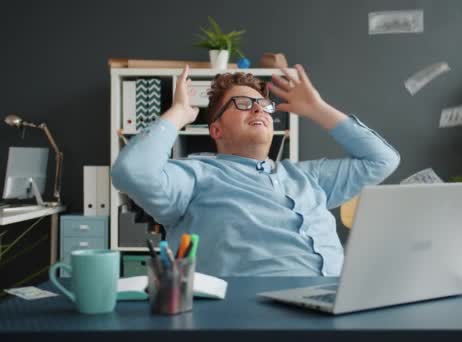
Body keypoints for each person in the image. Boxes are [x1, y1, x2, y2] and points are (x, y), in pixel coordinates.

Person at [111, 64, 400, 276]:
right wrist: (179, 114)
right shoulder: (196, 177)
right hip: (255, 312)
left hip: (334, 300)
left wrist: (316, 108)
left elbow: (381, 160)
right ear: (216, 129)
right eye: (244, 104)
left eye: (264, 105)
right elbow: (132, 171)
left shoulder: (307, 177)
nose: (259, 110)